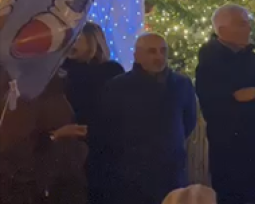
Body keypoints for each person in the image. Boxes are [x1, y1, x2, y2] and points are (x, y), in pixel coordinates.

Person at [196, 5, 255, 204]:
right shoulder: (210, 63)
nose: (248, 29)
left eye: (248, 23)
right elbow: (216, 106)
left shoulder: (251, 58)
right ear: (222, 31)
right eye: (241, 24)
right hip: (232, 155)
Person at [100, 34, 197, 204]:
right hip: (132, 171)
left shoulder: (181, 84)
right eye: (152, 51)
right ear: (137, 55)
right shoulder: (118, 87)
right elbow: (109, 128)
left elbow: (188, 121)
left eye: (163, 51)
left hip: (171, 168)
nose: (159, 57)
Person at [0, 66, 88, 204]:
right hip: (36, 182)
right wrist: (56, 135)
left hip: (49, 177)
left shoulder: (46, 92)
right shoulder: (27, 95)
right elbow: (17, 149)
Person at [61, 21, 125, 203]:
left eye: (78, 38)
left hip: (102, 144)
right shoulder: (61, 71)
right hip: (68, 140)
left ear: (92, 41)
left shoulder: (110, 71)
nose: (72, 43)